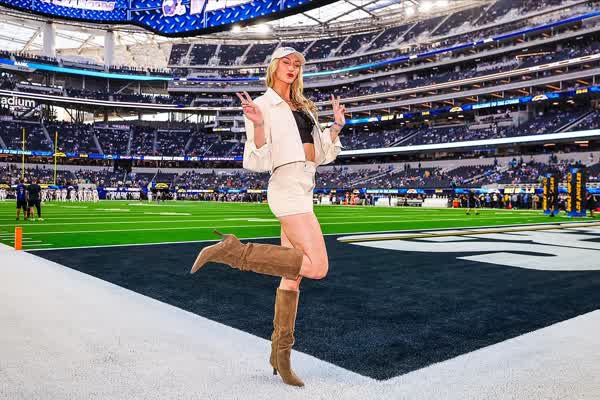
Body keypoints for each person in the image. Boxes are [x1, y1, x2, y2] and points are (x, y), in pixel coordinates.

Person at [189, 47, 345, 387]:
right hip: (287, 186)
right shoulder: (261, 105)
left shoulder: (304, 106)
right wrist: (258, 125)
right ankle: (234, 251)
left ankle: (280, 356)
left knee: (292, 277)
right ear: (274, 66)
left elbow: (319, 155)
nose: (292, 67)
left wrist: (335, 127)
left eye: (297, 64)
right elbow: (257, 160)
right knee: (318, 267)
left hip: (305, 184)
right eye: (286, 62)